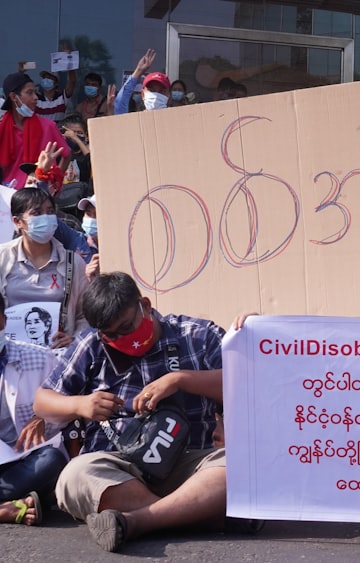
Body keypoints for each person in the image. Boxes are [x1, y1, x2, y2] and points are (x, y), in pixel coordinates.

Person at [32, 272, 256, 552]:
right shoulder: (91, 343)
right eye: (110, 334)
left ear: (145, 306)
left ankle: (137, 521)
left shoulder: (197, 335)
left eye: (127, 327)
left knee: (244, 465)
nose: (122, 339)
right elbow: (42, 401)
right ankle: (197, 514)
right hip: (120, 468)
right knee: (73, 477)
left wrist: (181, 380)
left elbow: (247, 385)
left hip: (191, 466)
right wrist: (81, 405)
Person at [0, 291, 64, 526]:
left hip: (25, 459)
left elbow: (69, 403)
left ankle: (15, 500)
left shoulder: (40, 358)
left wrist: (43, 417)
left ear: (3, 321)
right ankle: (15, 503)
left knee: (51, 461)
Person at [0, 187, 89, 348]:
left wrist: (74, 340)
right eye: (37, 213)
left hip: (58, 358)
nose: (46, 218)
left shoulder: (73, 263)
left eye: (50, 211)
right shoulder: (2, 258)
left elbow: (85, 314)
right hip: (9, 356)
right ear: (17, 221)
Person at [0, 73, 71, 189]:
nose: (35, 97)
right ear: (14, 97)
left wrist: (55, 182)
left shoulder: (48, 126)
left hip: (41, 194)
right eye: (29, 92)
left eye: (35, 92)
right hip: (10, 196)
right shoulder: (2, 129)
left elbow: (67, 154)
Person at [114, 49, 170, 115]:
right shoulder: (136, 120)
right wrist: (138, 71)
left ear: (168, 95)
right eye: (152, 90)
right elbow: (120, 105)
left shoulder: (176, 119)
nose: (156, 96)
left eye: (161, 91)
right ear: (143, 94)